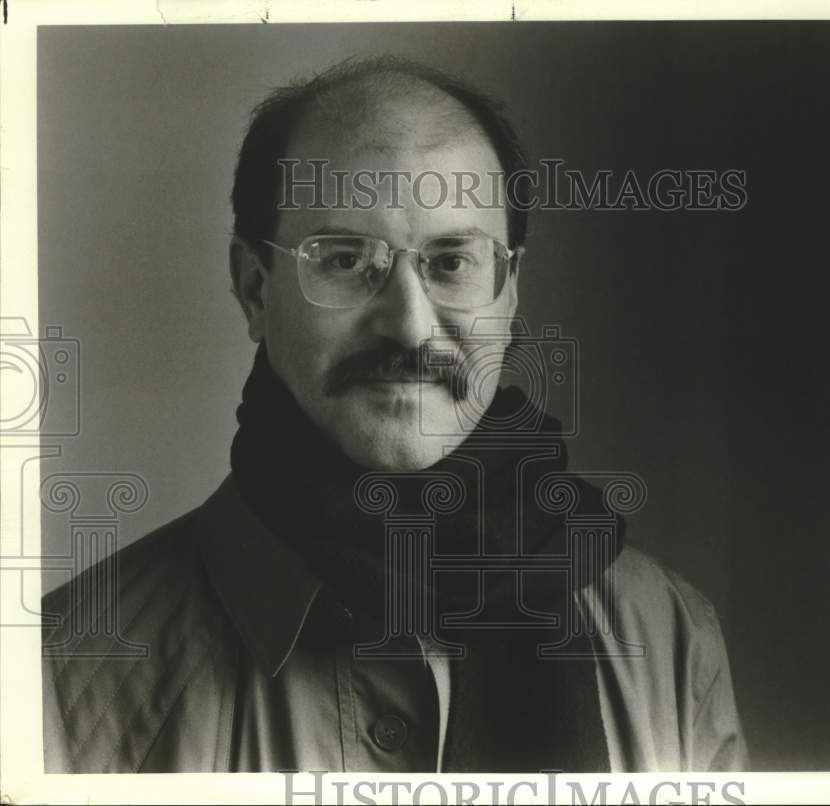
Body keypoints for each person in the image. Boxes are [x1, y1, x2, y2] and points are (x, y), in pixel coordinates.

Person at [41, 56, 748, 774]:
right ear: (255, 289)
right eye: (346, 261)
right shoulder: (66, 678)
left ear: (508, 292)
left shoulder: (669, 639)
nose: (409, 327)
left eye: (450, 263)